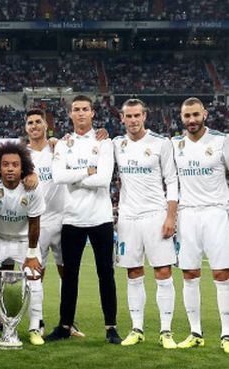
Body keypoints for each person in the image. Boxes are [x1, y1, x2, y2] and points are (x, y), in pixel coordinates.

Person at [46, 95, 121, 344]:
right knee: (70, 276)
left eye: (85, 109)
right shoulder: (63, 144)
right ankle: (65, 325)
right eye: (76, 110)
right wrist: (88, 171)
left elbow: (103, 179)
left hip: (100, 218)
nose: (80, 113)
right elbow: (57, 176)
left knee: (105, 274)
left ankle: (111, 327)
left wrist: (74, 176)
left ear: (92, 113)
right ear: (70, 114)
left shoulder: (105, 143)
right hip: (72, 219)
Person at [112, 99, 178, 349]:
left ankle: (166, 331)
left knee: (163, 271)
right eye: (128, 116)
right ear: (122, 118)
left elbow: (171, 181)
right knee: (133, 272)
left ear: (145, 116)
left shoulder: (161, 143)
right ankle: (137, 328)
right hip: (128, 218)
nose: (133, 120)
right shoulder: (117, 144)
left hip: (155, 215)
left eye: (137, 115)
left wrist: (171, 216)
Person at [172, 97, 229, 353]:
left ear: (204, 114)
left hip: (216, 213)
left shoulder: (221, 140)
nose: (191, 120)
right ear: (181, 118)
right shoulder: (174, 144)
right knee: (189, 274)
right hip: (188, 215)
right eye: (187, 116)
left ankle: (227, 334)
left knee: (222, 274)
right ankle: (195, 332)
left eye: (195, 115)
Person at [0, 142, 47, 345]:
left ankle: (34, 328)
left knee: (34, 276)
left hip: (25, 240)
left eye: (15, 165)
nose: (10, 168)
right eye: (5, 164)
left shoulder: (32, 188)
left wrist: (32, 254)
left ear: (22, 167)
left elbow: (35, 224)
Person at [25, 109, 66, 335]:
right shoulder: (22, 154)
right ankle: (37, 322)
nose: (34, 126)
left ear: (45, 125)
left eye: (38, 122)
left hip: (61, 218)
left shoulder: (57, 148)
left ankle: (66, 322)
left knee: (66, 272)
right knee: (35, 273)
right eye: (30, 122)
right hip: (36, 221)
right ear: (26, 128)